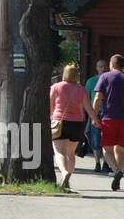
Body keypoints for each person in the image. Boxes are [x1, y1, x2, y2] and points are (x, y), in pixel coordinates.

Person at [50, 63, 100, 191]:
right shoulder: (81, 89)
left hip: (60, 122)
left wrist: (50, 118)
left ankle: (64, 172)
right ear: (76, 75)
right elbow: (88, 108)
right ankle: (69, 177)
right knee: (71, 153)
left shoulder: (55, 87)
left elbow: (50, 106)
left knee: (59, 152)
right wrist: (95, 120)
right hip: (77, 123)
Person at [93, 55, 124, 191]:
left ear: (111, 64)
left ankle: (117, 171)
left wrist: (94, 117)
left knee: (106, 149)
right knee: (120, 149)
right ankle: (119, 175)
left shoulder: (105, 77)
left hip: (109, 118)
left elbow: (98, 97)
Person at [84, 59, 109, 172]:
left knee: (106, 139)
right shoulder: (91, 81)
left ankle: (106, 162)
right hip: (95, 112)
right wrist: (86, 112)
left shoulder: (110, 80)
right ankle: (97, 162)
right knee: (94, 137)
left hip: (108, 113)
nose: (102, 68)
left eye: (104, 66)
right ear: (96, 68)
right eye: (100, 66)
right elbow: (86, 97)